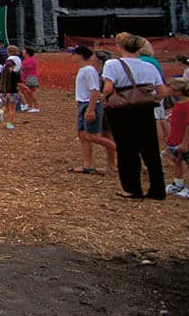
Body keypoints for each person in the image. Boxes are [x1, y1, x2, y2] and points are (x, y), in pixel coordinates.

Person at [102, 33, 167, 199]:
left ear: (120, 47)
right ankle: (158, 190)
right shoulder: (149, 66)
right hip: (144, 109)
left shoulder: (113, 64)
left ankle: (132, 188)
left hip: (122, 110)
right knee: (150, 150)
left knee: (127, 149)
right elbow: (162, 91)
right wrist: (148, 100)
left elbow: (108, 87)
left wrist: (104, 99)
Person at [70, 46, 114, 174]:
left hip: (88, 104)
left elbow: (94, 91)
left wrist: (91, 109)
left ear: (81, 55)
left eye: (74, 54)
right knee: (83, 135)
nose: (71, 56)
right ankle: (87, 164)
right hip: (83, 104)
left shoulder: (88, 70)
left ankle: (123, 151)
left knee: (91, 136)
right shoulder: (84, 70)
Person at [165, 78, 189, 199]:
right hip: (175, 140)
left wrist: (185, 143)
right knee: (176, 161)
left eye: (171, 88)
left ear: (178, 91)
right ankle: (178, 183)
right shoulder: (180, 104)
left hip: (188, 143)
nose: (168, 90)